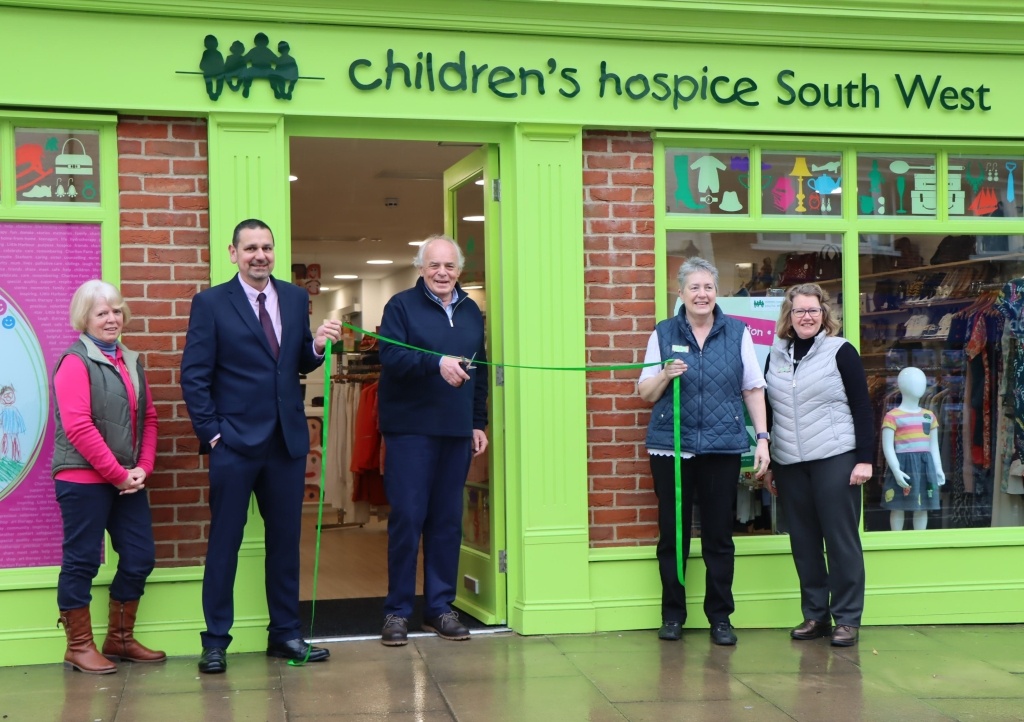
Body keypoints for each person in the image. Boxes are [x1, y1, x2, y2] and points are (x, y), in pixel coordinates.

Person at [180, 218, 342, 674]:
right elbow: (194, 376)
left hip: (286, 444)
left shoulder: (294, 297)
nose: (260, 256)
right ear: (233, 253)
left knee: (285, 544)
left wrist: (318, 346)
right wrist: (214, 434)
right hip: (234, 444)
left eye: (267, 248)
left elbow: (294, 361)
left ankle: (285, 634)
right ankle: (215, 641)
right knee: (225, 545)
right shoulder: (211, 303)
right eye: (250, 247)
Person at [637, 257, 770, 646]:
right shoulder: (663, 333)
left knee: (717, 536)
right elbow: (644, 392)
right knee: (673, 536)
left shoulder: (737, 332)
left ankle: (720, 618)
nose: (702, 294)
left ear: (717, 292)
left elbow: (753, 388)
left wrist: (762, 437)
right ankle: (673, 615)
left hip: (722, 446)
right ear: (680, 293)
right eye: (694, 287)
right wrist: (664, 374)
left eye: (708, 287)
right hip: (671, 448)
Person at [376, 234, 488, 647]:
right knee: (407, 518)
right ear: (421, 267)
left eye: (450, 266)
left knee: (446, 523)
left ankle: (440, 607)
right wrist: (435, 362)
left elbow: (478, 371)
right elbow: (390, 357)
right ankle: (396, 612)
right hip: (409, 430)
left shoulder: (471, 310)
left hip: (455, 430)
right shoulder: (401, 307)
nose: (443, 273)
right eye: (434, 265)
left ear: (460, 270)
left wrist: (478, 422)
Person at [52, 280, 163, 674]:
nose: (112, 318)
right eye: (102, 313)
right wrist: (118, 475)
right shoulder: (73, 362)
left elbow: (148, 419)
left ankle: (119, 639)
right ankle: (79, 646)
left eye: (116, 310)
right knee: (81, 561)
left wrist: (142, 469)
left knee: (139, 557)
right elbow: (79, 427)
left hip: (127, 481)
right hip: (83, 479)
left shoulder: (130, 360)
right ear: (85, 319)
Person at [761, 283, 874, 648]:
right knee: (804, 542)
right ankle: (815, 615)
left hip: (835, 457)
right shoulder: (775, 356)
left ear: (825, 315)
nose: (806, 317)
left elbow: (862, 406)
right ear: (788, 317)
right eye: (799, 311)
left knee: (840, 541)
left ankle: (847, 619)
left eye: (813, 310)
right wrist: (774, 464)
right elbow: (772, 411)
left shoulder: (841, 352)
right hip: (791, 462)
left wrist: (865, 460)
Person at [881, 366, 945, 531]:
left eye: (921, 382)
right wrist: (895, 469)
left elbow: (933, 446)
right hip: (903, 464)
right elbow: (887, 447)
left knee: (922, 506)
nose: (918, 386)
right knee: (897, 506)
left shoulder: (928, 415)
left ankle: (920, 541)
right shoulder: (892, 416)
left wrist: (938, 468)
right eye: (913, 382)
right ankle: (896, 541)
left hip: (924, 465)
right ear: (901, 386)